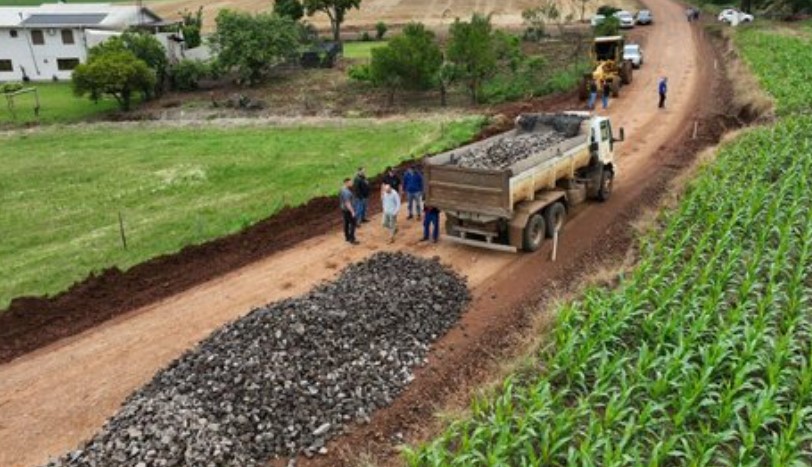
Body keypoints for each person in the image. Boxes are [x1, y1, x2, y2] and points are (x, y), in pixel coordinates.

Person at [339, 178, 359, 245]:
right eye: (350, 182)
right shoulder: (347, 192)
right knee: (353, 224)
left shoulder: (342, 189)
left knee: (346, 224)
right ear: (346, 183)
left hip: (344, 210)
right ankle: (352, 239)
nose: (352, 184)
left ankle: (347, 237)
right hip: (348, 210)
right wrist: (352, 211)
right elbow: (347, 203)